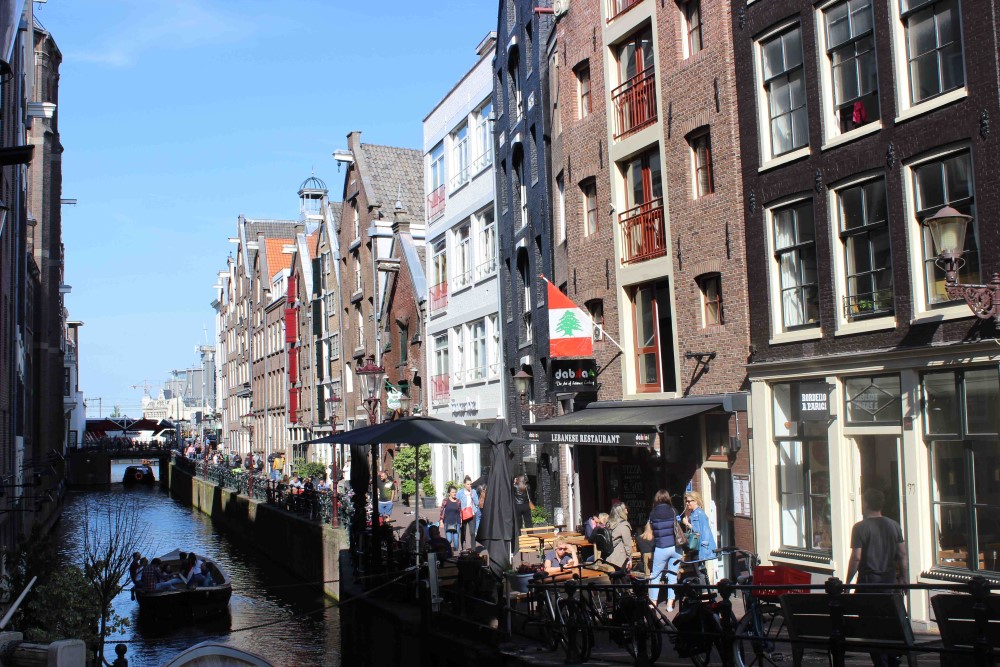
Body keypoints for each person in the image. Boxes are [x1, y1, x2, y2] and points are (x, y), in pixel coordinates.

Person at [846, 488, 907, 667]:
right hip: (889, 584)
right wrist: (903, 577)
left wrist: (848, 582)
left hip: (868, 584)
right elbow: (902, 554)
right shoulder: (894, 525)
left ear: (865, 504)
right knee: (888, 625)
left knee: (871, 628)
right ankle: (892, 659)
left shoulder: (860, 528)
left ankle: (881, 663)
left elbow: (856, 557)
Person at [649, 489, 683, 611]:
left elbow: (651, 529)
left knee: (655, 576)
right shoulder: (674, 511)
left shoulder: (653, 513)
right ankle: (670, 604)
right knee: (672, 576)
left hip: (661, 547)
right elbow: (678, 526)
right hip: (676, 548)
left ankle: (653, 603)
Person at [681, 491, 719, 584]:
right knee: (699, 571)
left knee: (700, 572)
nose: (687, 503)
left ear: (696, 501)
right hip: (696, 548)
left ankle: (704, 590)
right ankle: (704, 589)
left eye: (689, 501)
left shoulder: (700, 514)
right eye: (686, 501)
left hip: (699, 548)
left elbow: (701, 531)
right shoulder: (694, 513)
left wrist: (687, 524)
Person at [606, 502, 633, 571]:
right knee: (623, 577)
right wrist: (629, 559)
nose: (627, 511)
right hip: (620, 560)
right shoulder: (624, 525)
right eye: (625, 509)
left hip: (608, 557)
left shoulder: (608, 524)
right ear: (621, 512)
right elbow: (627, 544)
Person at [457, 477, 480, 550]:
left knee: (472, 532)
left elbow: (477, 503)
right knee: (463, 532)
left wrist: (472, 495)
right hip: (463, 514)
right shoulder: (460, 492)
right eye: (467, 484)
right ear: (464, 484)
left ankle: (473, 549)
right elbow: (457, 503)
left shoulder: (473, 491)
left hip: (472, 514)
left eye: (470, 484)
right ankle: (463, 548)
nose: (469, 486)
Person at [439, 485, 463, 552]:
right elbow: (441, 511)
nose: (454, 493)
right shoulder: (445, 501)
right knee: (449, 540)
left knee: (456, 539)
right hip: (447, 522)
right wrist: (441, 521)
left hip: (456, 522)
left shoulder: (458, 501)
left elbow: (460, 511)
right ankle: (448, 551)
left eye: (455, 492)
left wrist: (461, 521)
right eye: (453, 492)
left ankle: (456, 552)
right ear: (449, 493)